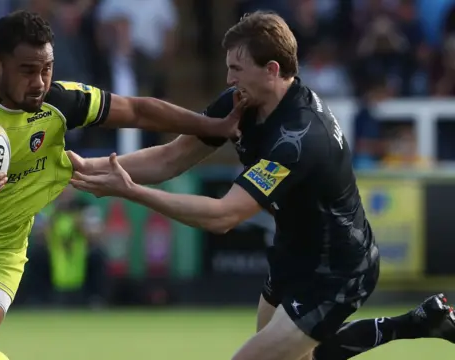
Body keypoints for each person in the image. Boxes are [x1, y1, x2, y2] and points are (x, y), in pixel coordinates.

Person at [68, 11, 455, 360]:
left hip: (338, 271)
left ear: (271, 70)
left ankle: (412, 325)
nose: (228, 79)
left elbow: (223, 216)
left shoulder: (297, 138)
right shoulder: (243, 102)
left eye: (236, 68)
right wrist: (85, 168)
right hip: (292, 253)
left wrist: (130, 191)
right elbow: (171, 158)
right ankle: (418, 323)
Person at [0, 10, 242, 360]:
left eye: (47, 69)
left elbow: (137, 110)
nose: (39, 82)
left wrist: (211, 126)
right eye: (27, 70)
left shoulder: (61, 101)